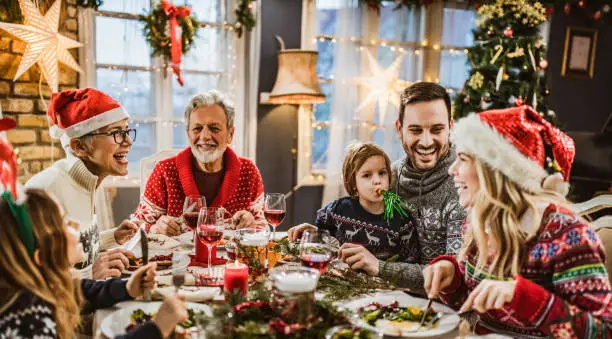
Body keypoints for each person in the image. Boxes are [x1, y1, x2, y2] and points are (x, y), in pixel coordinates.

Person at [424, 105, 612, 339]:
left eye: (462, 159)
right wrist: (451, 275)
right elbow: (474, 302)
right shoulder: (479, 221)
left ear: (494, 171)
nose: (452, 169)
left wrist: (525, 297)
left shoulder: (566, 234)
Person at [0, 188, 188, 339]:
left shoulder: (36, 285)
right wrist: (153, 330)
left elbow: (81, 290)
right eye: (65, 223)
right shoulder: (18, 314)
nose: (76, 225)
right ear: (41, 256)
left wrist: (127, 288)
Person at [290, 83, 464, 292]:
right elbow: (358, 228)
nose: (426, 142)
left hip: (444, 311)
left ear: (451, 127)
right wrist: (320, 236)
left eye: (437, 129)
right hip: (383, 298)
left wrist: (378, 267)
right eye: (415, 130)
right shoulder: (388, 175)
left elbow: (456, 278)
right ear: (399, 129)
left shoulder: (464, 187)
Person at [26, 88, 139, 280]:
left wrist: (113, 238)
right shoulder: (45, 191)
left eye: (127, 131)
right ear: (79, 147)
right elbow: (26, 276)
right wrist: (89, 274)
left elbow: (73, 250)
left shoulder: (87, 180)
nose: (128, 141)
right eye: (116, 133)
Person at [132, 90, 265, 235]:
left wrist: (253, 226)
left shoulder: (248, 171)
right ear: (188, 133)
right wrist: (154, 228)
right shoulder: (165, 170)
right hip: (175, 257)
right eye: (197, 128)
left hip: (231, 258)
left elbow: (262, 228)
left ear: (230, 135)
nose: (205, 136)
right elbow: (135, 227)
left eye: (215, 128)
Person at [288, 142, 419, 266]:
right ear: (353, 183)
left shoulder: (402, 220)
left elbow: (410, 262)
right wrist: (313, 233)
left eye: (382, 173)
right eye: (367, 175)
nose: (377, 181)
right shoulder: (337, 210)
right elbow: (323, 243)